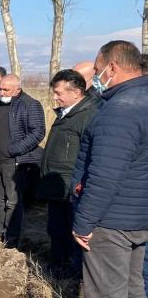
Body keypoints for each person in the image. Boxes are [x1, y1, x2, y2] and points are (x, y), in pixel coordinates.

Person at [67, 40, 148, 298]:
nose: (96, 77)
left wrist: (84, 222)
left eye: (98, 70)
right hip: (138, 216)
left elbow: (104, 175)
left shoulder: (120, 111)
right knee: (132, 293)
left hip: (111, 220)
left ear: (112, 68)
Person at [36, 69, 100, 277]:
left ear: (76, 92)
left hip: (71, 187)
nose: (55, 97)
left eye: (59, 93)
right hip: (57, 186)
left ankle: (70, 271)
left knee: (67, 230)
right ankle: (59, 263)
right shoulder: (66, 113)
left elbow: (91, 155)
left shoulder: (88, 116)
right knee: (56, 228)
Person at [0, 73, 45, 249]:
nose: (1, 92)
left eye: (6, 90)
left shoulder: (30, 104)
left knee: (12, 201)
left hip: (14, 161)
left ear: (17, 90)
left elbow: (37, 133)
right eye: (0, 89)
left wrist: (14, 150)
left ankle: (12, 238)